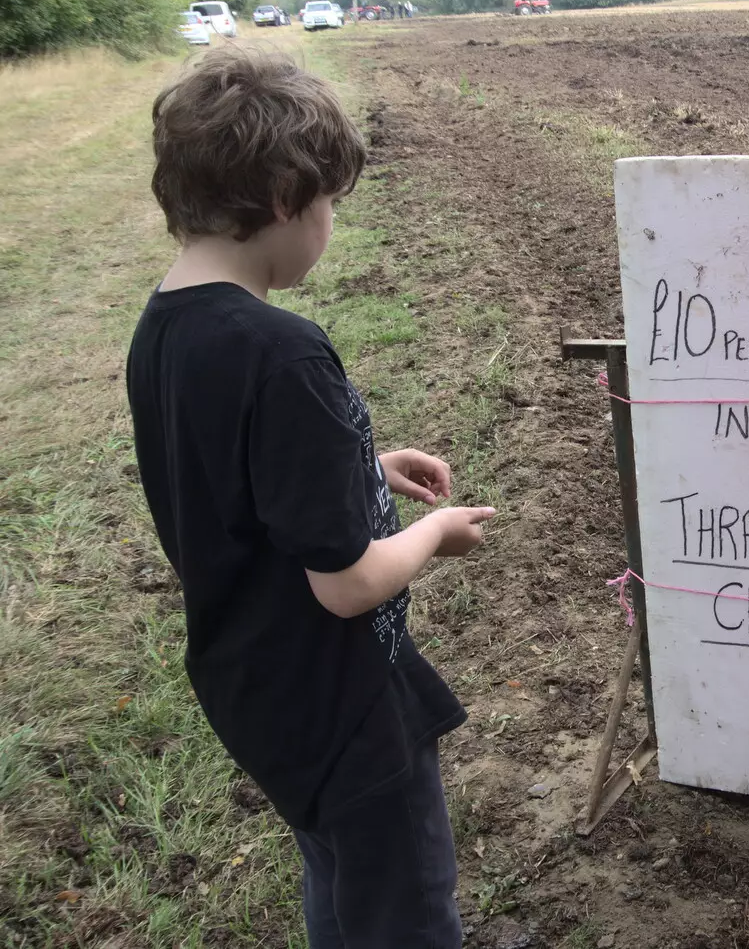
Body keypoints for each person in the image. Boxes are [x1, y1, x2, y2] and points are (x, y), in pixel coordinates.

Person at [126, 49, 493, 948]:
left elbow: (237, 486)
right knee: (403, 905)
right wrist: (436, 530)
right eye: (329, 203)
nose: (330, 223)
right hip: (343, 706)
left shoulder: (167, 326)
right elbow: (349, 584)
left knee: (338, 877)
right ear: (287, 196)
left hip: (255, 686)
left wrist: (365, 469)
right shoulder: (281, 350)